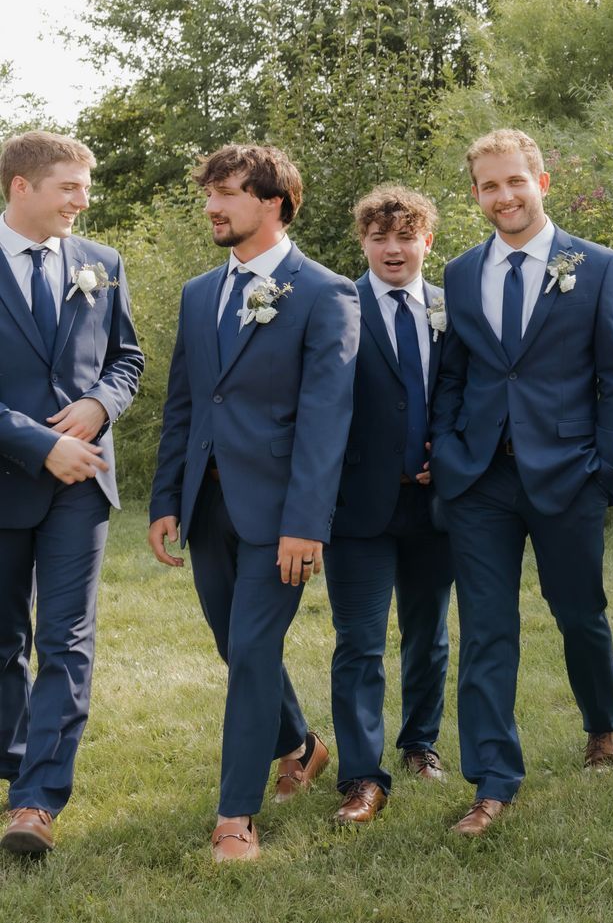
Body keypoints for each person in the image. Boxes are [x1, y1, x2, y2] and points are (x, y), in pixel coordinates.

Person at [147, 143, 356, 861]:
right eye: (209, 190)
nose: (212, 204)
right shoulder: (199, 292)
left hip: (279, 515)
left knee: (253, 648)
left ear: (273, 202)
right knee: (236, 648)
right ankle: (301, 741)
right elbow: (185, 403)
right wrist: (165, 498)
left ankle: (236, 814)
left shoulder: (326, 292)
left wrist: (306, 523)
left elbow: (327, 420)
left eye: (227, 191)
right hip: (207, 506)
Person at [429, 129, 613, 836]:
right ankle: (493, 780)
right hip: (479, 477)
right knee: (486, 629)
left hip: (568, 473)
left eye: (514, 181)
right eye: (489, 186)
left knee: (579, 609)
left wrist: (604, 469)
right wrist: (451, 447)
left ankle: (603, 720)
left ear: (541, 182)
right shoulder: (460, 273)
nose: (504, 196)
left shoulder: (598, 265)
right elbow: (455, 369)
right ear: (476, 195)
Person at [0, 132, 143, 856]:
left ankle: (36, 799)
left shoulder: (102, 264)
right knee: (2, 642)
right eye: (70, 188)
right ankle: (13, 761)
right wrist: (38, 443)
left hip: (83, 482)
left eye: (85, 188)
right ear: (21, 186)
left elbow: (127, 357)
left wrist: (100, 406)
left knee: (67, 639)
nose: (83, 201)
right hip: (4, 477)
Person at [328, 186, 456, 825]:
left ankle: (420, 744)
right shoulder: (339, 305)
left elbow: (468, 388)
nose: (393, 248)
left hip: (435, 503)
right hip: (359, 504)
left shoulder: (450, 305)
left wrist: (453, 450)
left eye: (405, 236)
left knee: (429, 634)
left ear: (426, 242)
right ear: (364, 243)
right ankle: (360, 776)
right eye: (379, 237)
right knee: (359, 643)